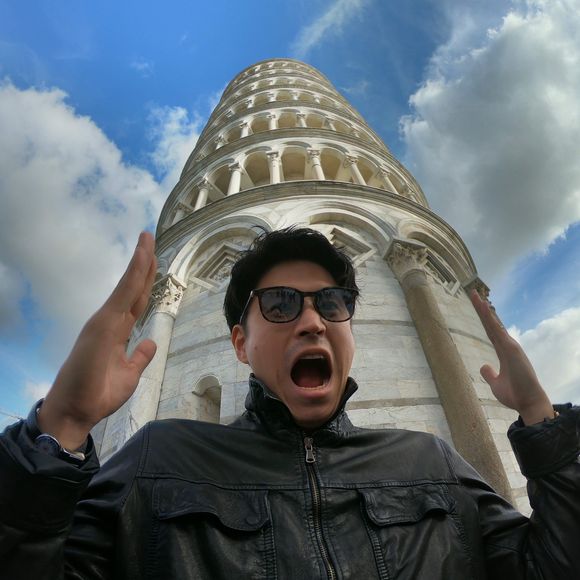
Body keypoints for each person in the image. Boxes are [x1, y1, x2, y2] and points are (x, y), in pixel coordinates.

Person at [0, 227, 578, 579]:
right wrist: (61, 428)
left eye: (331, 303)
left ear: (349, 330)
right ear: (240, 343)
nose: (311, 321)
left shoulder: (430, 463)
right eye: (279, 304)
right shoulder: (160, 459)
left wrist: (542, 424)